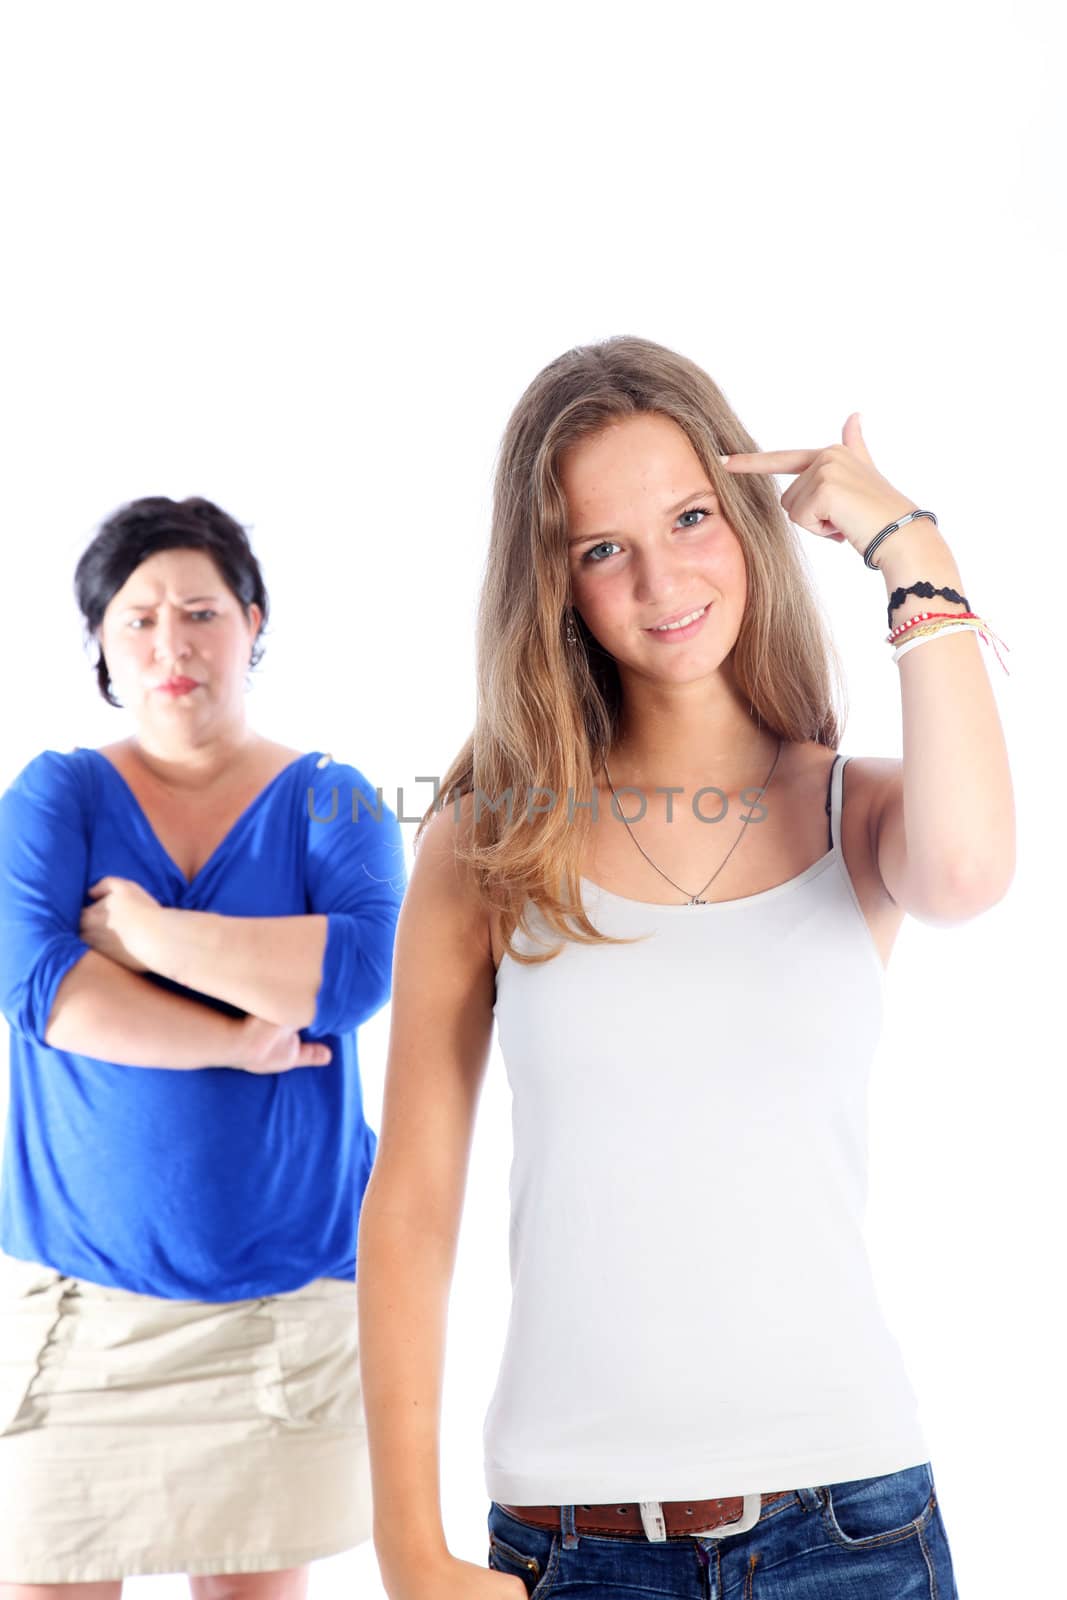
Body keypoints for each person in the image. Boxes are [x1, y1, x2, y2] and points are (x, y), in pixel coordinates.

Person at [356, 336, 1013, 1599]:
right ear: (552, 586)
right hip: (568, 1544)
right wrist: (403, 1546)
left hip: (850, 1530)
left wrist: (908, 549)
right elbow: (413, 1202)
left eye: (691, 517)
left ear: (748, 524)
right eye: (602, 548)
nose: (660, 579)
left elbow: (973, 873)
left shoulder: (855, 815)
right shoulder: (490, 831)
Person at [0, 495, 405, 1597]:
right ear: (99, 647)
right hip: (83, 1317)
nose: (170, 643)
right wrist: (235, 1042)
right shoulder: (56, 795)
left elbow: (353, 975)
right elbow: (48, 993)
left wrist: (147, 932)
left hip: (280, 1314)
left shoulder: (330, 796)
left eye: (199, 611)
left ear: (253, 622)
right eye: (136, 619)